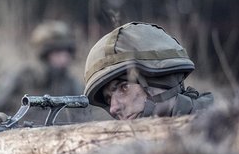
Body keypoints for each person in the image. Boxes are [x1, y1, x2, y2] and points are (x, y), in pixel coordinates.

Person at [84, 21, 213, 120]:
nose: (113, 108)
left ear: (161, 79)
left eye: (124, 88)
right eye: (108, 99)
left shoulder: (222, 126)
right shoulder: (126, 147)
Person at [0, 20, 86, 124]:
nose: (64, 58)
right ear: (44, 54)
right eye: (58, 52)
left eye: (67, 52)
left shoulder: (72, 84)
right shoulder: (22, 77)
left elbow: (85, 116)